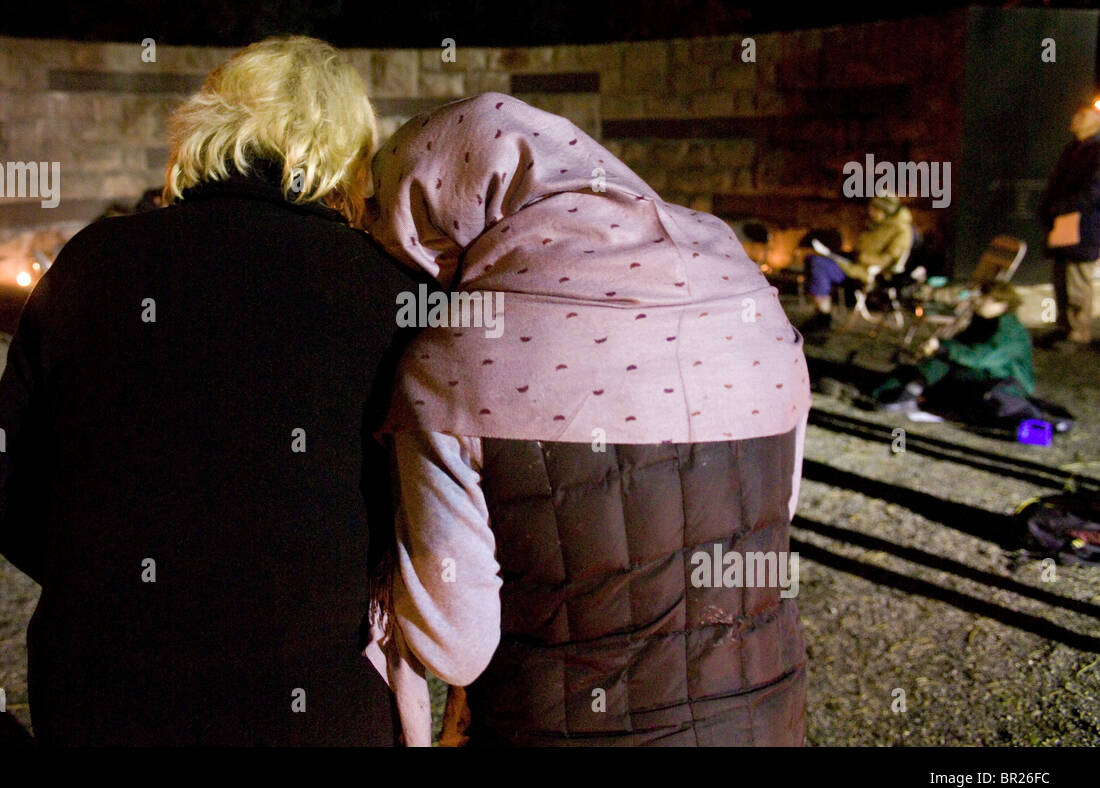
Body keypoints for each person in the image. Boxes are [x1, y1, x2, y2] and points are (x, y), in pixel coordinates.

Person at [0, 36, 422, 745]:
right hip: (308, 698)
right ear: (350, 150)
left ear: (207, 125)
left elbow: (9, 491)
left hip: (101, 687)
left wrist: (114, 586)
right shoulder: (389, 292)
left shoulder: (93, 260)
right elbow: (426, 512)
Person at [364, 93, 812, 746]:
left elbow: (455, 644)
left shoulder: (450, 362)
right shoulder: (754, 308)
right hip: (760, 717)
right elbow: (780, 511)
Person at [873, 282, 1044, 427]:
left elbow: (980, 358)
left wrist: (943, 350)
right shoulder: (985, 320)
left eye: (984, 298)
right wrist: (939, 348)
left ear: (1002, 304)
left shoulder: (1010, 331)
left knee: (944, 363)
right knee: (937, 363)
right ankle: (905, 390)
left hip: (1008, 381)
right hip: (987, 373)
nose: (978, 301)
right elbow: (962, 344)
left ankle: (909, 392)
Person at [799, 190, 914, 334]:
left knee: (819, 265)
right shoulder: (876, 225)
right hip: (854, 263)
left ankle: (823, 315)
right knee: (814, 260)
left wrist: (863, 257)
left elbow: (888, 260)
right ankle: (821, 309)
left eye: (875, 209)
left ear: (884, 211)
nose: (870, 212)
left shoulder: (901, 231)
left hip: (867, 271)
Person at [1038, 95, 1100, 351]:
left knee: (1077, 280)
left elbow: (1095, 191)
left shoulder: (1096, 151)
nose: (1074, 120)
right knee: (1062, 278)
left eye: (1081, 116)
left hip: (1084, 225)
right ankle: (1065, 327)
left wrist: (1062, 207)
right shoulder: (1074, 148)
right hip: (1066, 222)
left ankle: (1079, 332)